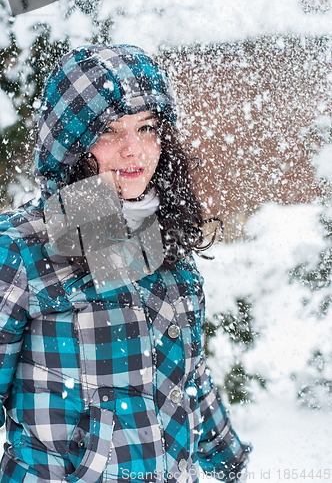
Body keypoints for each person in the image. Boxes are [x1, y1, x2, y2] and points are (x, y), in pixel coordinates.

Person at [0, 44, 250, 483]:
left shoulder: (165, 237)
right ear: (70, 143)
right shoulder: (22, 250)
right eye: (111, 132)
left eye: (147, 127)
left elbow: (187, 380)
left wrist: (232, 462)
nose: (135, 151)